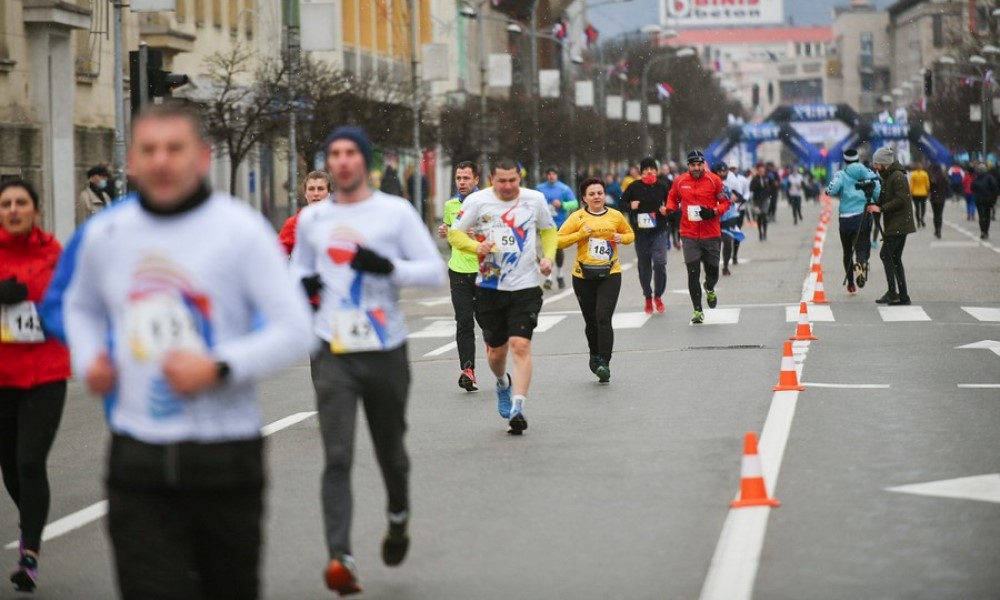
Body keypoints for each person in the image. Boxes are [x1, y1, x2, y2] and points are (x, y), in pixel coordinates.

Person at [62, 103, 315, 600]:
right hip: (137, 454)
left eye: (174, 148)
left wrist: (220, 366)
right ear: (130, 161)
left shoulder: (240, 230)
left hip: (223, 455)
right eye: (148, 149)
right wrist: (89, 355)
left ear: (200, 157)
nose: (161, 161)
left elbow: (295, 328)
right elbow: (79, 305)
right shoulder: (107, 234)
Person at [290, 126, 445, 594]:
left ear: (364, 161)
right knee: (336, 455)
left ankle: (398, 517)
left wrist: (390, 268)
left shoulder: (393, 213)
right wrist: (303, 286)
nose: (341, 162)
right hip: (333, 349)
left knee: (390, 454)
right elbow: (297, 268)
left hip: (384, 350)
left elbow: (433, 271)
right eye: (333, 153)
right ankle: (341, 557)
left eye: (350, 153)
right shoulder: (313, 221)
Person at [447, 158, 557, 435]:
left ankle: (518, 407)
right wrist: (477, 247)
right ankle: (503, 384)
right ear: (491, 180)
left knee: (520, 345)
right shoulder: (477, 202)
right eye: (502, 181)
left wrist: (549, 258)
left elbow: (548, 230)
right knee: (497, 353)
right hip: (490, 287)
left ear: (519, 178)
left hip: (526, 286)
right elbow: (454, 234)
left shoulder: (535, 199)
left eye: (513, 181)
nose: (508, 186)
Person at [0, 179, 70, 593]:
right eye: (5, 203)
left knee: (30, 461)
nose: (13, 209)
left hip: (45, 373)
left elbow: (64, 296)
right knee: (10, 465)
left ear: (35, 211)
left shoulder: (52, 253)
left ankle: (30, 553)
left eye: (20, 203)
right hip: (2, 376)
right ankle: (31, 523)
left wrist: (26, 291)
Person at [557, 178, 633, 382]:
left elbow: (630, 234)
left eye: (599, 193)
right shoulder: (577, 217)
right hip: (583, 275)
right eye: (591, 194)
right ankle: (594, 355)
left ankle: (605, 363)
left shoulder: (615, 215)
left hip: (610, 273)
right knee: (591, 320)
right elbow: (558, 240)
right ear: (584, 198)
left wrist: (621, 238)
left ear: (604, 194)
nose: (596, 197)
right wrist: (580, 234)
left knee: (603, 318)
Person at [666, 150, 730, 324]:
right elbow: (672, 198)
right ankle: (697, 310)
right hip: (689, 234)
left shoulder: (714, 180)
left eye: (699, 165)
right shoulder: (680, 181)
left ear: (703, 164)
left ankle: (709, 287)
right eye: (693, 165)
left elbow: (725, 202)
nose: (696, 168)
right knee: (692, 273)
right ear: (688, 166)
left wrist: (713, 212)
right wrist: (671, 210)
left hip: (711, 233)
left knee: (713, 272)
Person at [438, 161, 482, 391]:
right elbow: (449, 231)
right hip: (458, 270)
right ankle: (468, 370)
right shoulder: (450, 205)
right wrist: (445, 232)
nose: (462, 182)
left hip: (485, 271)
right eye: (458, 178)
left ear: (476, 180)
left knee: (488, 323)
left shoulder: (487, 204)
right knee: (464, 322)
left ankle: (498, 365)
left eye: (466, 178)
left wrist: (480, 236)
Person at [826, 149, 880, 295]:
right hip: (862, 215)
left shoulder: (841, 175)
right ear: (857, 159)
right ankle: (861, 265)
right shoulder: (867, 173)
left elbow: (830, 190)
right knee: (861, 248)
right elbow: (877, 190)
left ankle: (851, 284)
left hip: (845, 219)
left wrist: (830, 188)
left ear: (845, 160)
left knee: (847, 251)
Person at [621, 157, 670, 314]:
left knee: (660, 263)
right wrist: (630, 206)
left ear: (656, 171)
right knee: (644, 268)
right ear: (641, 172)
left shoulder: (663, 186)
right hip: (641, 233)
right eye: (645, 169)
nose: (649, 171)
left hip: (659, 231)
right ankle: (648, 297)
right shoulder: (634, 187)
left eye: (652, 169)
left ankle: (659, 296)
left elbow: (674, 206)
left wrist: (667, 210)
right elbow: (620, 204)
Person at [869, 147, 916, 305]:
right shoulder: (887, 177)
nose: (875, 166)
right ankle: (902, 296)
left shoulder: (897, 177)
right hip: (895, 223)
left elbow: (902, 200)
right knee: (894, 258)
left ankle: (894, 293)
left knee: (886, 255)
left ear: (884, 163)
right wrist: (874, 204)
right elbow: (885, 198)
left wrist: (881, 208)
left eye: (877, 163)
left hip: (899, 224)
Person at [536, 167, 579, 290]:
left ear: (557, 175)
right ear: (546, 176)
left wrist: (562, 204)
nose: (551, 176)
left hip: (560, 223)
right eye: (549, 174)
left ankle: (559, 274)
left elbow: (574, 203)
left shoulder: (564, 188)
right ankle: (548, 277)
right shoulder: (540, 188)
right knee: (547, 249)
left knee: (558, 250)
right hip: (544, 223)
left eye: (553, 174)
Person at [278, 171, 332, 255]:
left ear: (329, 193)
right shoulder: (293, 224)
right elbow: (278, 255)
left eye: (320, 189)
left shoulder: (339, 221)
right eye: (311, 189)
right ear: (305, 194)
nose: (316, 193)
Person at [714, 162, 745, 277]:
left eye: (724, 171)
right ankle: (712, 265)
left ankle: (726, 265)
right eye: (720, 172)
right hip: (714, 216)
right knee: (714, 245)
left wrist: (736, 198)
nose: (722, 174)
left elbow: (740, 196)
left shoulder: (733, 180)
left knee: (727, 241)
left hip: (729, 216)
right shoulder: (710, 180)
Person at [971, 163, 998, 240]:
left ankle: (984, 231)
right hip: (985, 200)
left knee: (983, 216)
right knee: (985, 216)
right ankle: (984, 231)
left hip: (982, 200)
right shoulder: (989, 178)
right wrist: (993, 198)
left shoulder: (979, 178)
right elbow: (995, 189)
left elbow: (972, 187)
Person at [749, 163, 771, 241]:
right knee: (759, 217)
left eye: (763, 170)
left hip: (765, 199)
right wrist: (758, 184)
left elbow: (770, 187)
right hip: (757, 200)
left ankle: (765, 232)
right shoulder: (755, 179)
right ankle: (760, 232)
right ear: (757, 171)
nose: (762, 172)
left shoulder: (766, 178)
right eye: (760, 170)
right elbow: (751, 188)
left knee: (764, 216)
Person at [929, 164, 950, 239]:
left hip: (934, 199)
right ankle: (939, 230)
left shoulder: (932, 178)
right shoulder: (944, 178)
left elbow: (930, 189)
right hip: (942, 198)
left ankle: (936, 229)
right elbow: (947, 187)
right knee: (940, 214)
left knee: (935, 214)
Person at [909, 162, 930, 229]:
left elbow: (911, 185)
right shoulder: (925, 174)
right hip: (923, 193)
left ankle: (918, 221)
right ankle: (922, 218)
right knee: (923, 207)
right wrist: (928, 191)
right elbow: (927, 184)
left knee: (917, 208)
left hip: (915, 194)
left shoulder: (913, 174)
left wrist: (910, 192)